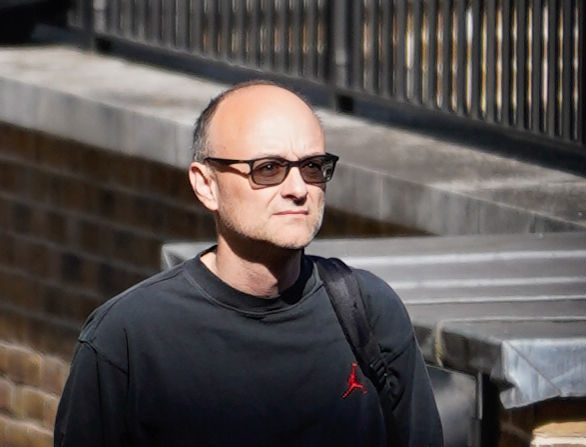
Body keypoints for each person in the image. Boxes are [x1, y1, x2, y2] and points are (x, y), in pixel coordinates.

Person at [54, 80, 443, 447]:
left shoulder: (368, 311)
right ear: (206, 185)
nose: (298, 189)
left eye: (312, 167)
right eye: (268, 169)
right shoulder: (128, 338)